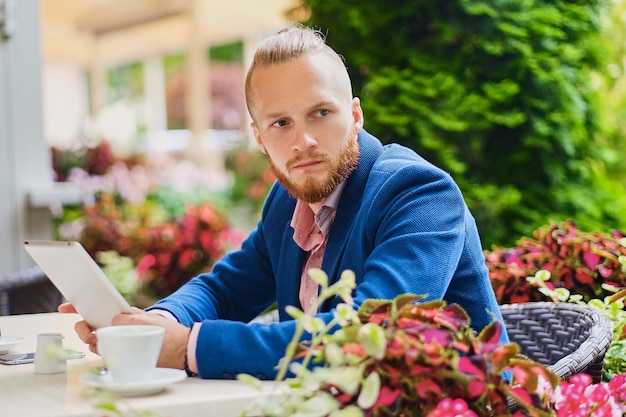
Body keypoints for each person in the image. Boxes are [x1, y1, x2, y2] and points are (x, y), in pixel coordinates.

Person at [60, 26, 509, 379]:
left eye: (321, 113)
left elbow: (367, 334)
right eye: (281, 123)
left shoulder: (418, 193)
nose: (304, 141)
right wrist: (148, 325)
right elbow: (223, 289)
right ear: (259, 138)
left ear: (354, 115)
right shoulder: (288, 200)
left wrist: (186, 348)